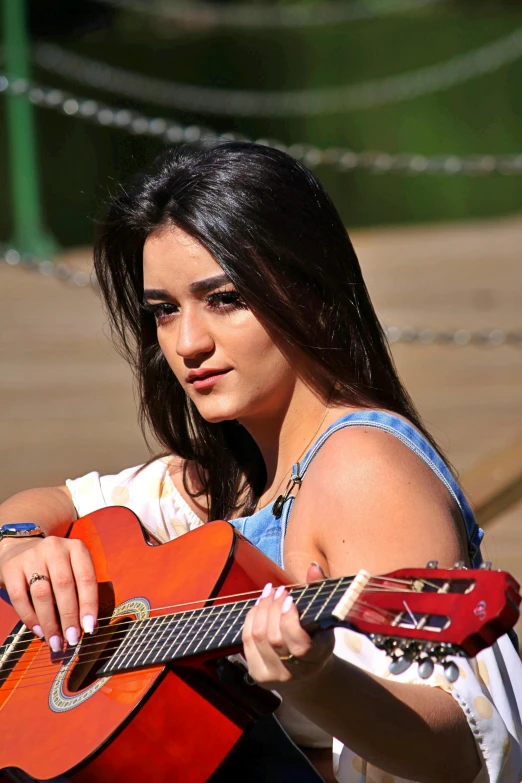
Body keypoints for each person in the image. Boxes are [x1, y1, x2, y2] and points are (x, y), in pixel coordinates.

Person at [0, 142, 520, 783]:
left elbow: (457, 751)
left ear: (303, 286)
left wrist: (318, 680)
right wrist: (19, 547)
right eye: (164, 310)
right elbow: (54, 506)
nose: (186, 343)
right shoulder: (220, 476)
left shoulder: (363, 469)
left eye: (222, 298)